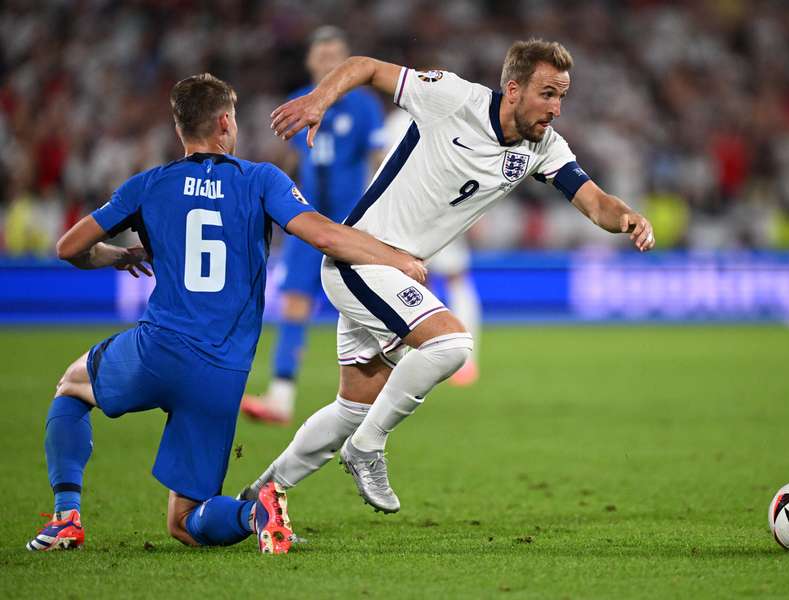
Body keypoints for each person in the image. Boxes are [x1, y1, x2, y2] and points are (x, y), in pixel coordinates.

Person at [242, 39, 655, 514]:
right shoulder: (453, 97)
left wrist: (627, 218)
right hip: (361, 260)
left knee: (351, 407)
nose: (556, 108)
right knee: (451, 344)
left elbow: (595, 201)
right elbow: (363, 66)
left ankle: (258, 497)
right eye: (547, 94)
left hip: (394, 275)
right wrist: (320, 100)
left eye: (562, 96)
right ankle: (367, 448)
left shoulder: (543, 147)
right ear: (514, 89)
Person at [26, 73, 425, 553]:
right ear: (225, 122)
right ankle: (256, 510)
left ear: (179, 129)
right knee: (185, 520)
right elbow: (322, 235)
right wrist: (393, 256)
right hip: (222, 370)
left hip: (157, 350)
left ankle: (66, 518)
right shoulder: (260, 180)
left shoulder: (149, 185)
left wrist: (121, 255)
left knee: (71, 388)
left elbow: (70, 246)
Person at [242, 26, 386, 424]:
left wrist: (382, 216)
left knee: (364, 309)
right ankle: (281, 398)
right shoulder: (298, 102)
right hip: (307, 223)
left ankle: (381, 396)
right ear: (310, 61)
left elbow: (378, 162)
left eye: (334, 55)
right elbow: (289, 160)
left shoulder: (363, 104)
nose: (327, 61)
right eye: (321, 55)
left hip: (350, 223)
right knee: (294, 302)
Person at [383, 107, 482, 386]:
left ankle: (426, 355)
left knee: (414, 283)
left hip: (410, 214)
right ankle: (461, 359)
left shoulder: (397, 121)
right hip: (444, 207)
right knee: (452, 280)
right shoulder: (450, 115)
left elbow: (381, 162)